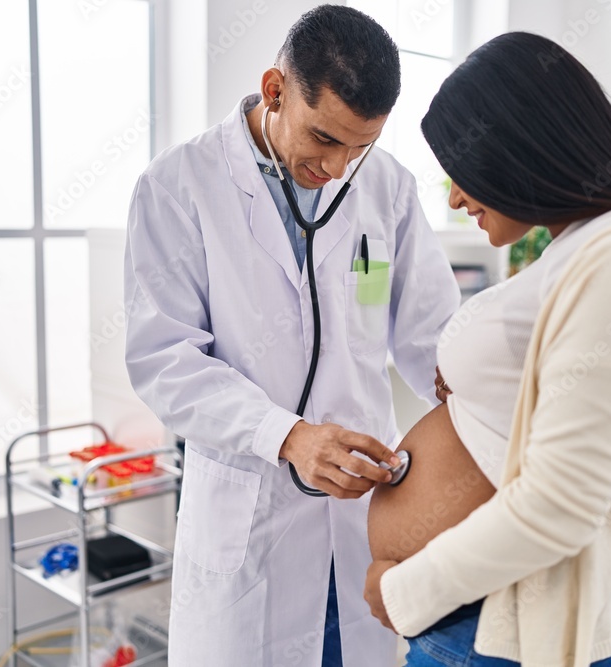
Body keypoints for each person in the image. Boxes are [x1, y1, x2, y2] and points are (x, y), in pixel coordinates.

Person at [363, 32, 611, 667]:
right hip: (480, 624)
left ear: (518, 147)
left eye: (462, 171)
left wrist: (403, 591)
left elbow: (561, 505)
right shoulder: (583, 245)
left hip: (503, 635)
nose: (455, 197)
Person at [122, 5, 460, 666]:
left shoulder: (386, 186)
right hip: (253, 526)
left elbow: (433, 336)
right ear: (275, 90)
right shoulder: (178, 186)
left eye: (359, 147)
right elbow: (165, 360)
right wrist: (289, 436)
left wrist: (486, 401)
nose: (337, 167)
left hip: (361, 521)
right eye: (324, 138)